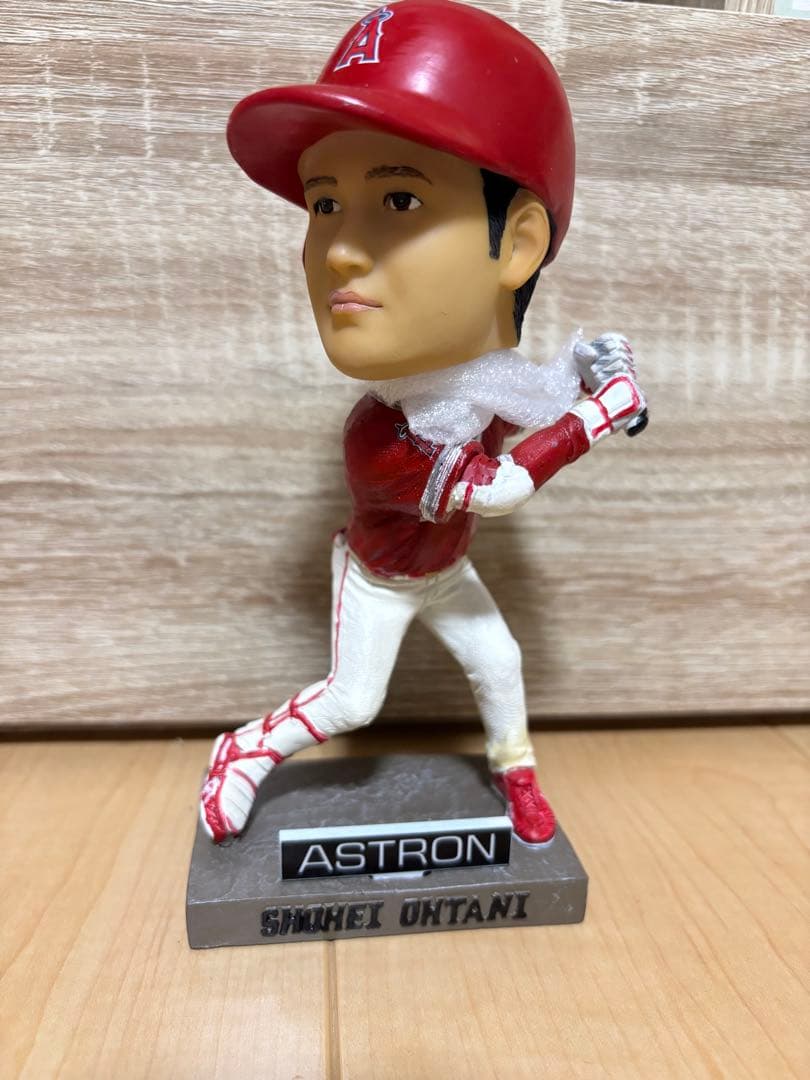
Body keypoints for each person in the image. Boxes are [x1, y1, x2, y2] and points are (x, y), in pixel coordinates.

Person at [199, 0, 647, 846]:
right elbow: (502, 488)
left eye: (399, 199)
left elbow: (537, 393)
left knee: (502, 663)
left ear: (517, 245)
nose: (338, 249)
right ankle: (244, 749)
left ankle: (517, 775)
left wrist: (592, 371)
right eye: (323, 205)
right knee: (354, 701)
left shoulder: (485, 379)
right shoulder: (382, 436)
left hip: (444, 569)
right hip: (379, 579)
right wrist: (594, 418)